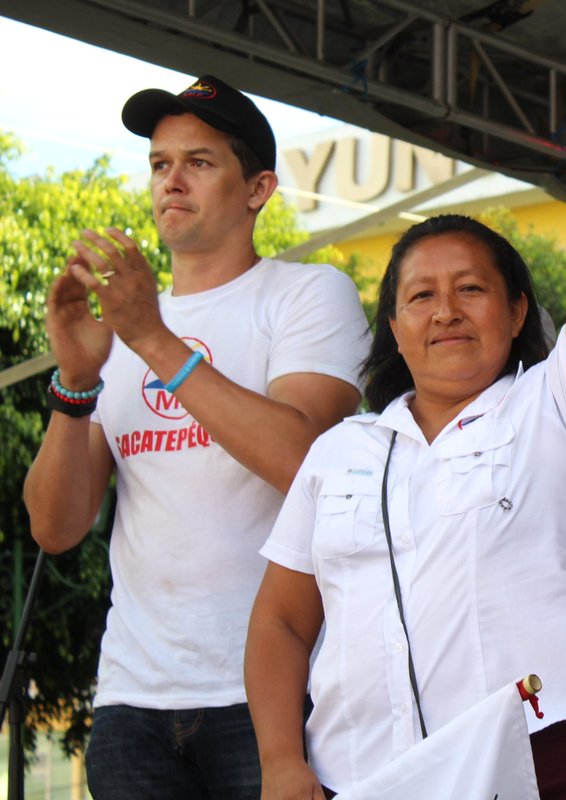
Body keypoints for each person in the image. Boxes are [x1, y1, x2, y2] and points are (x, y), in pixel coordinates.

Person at [243, 5, 566, 798]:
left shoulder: (557, 414)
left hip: (547, 766)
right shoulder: (341, 452)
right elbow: (280, 621)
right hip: (364, 777)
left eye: (472, 290)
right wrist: (280, 763)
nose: (446, 311)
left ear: (514, 314)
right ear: (395, 329)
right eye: (421, 296)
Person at [22, 75, 369, 798]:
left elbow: (305, 461)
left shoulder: (307, 293)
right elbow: (55, 529)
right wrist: (78, 380)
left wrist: (151, 337)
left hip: (274, 696)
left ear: (258, 187)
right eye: (159, 163)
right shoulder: (122, 326)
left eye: (199, 162)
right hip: (131, 699)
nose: (171, 181)